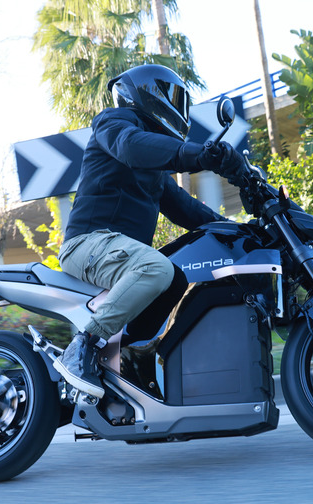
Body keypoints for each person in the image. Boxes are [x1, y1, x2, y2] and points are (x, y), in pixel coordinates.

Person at [54, 64, 249, 399]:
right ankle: (82, 346)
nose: (179, 106)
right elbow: (131, 145)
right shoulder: (114, 122)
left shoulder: (154, 172)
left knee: (176, 278)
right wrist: (199, 154)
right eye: (173, 97)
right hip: (86, 244)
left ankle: (131, 355)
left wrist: (239, 231)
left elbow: (189, 210)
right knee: (156, 268)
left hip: (115, 252)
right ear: (150, 94)